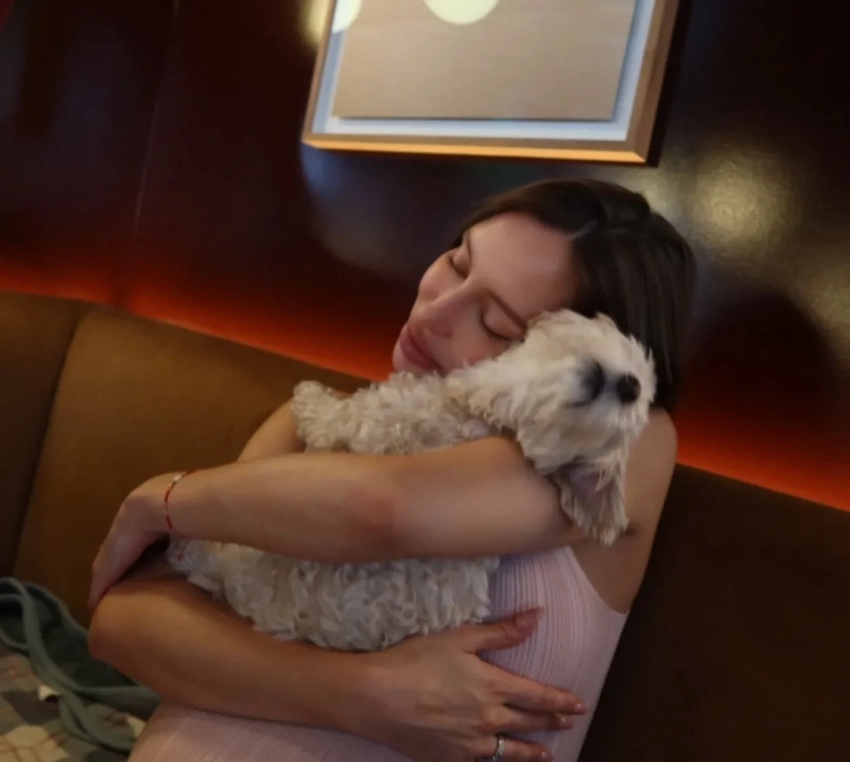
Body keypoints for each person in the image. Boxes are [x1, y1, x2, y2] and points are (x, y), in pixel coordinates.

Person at [88, 178, 695, 762]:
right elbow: (122, 622)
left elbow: (382, 508)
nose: (435, 313)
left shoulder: (623, 435)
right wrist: (359, 694)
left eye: (496, 324)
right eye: (458, 263)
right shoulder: (312, 422)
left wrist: (159, 500)